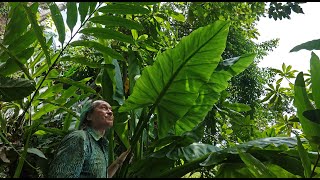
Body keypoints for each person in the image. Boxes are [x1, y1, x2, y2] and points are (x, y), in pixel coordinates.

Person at [48, 100, 130, 178]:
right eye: (104, 108)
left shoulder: (102, 144)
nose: (110, 112)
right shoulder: (79, 138)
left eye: (110, 109)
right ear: (89, 116)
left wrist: (118, 162)